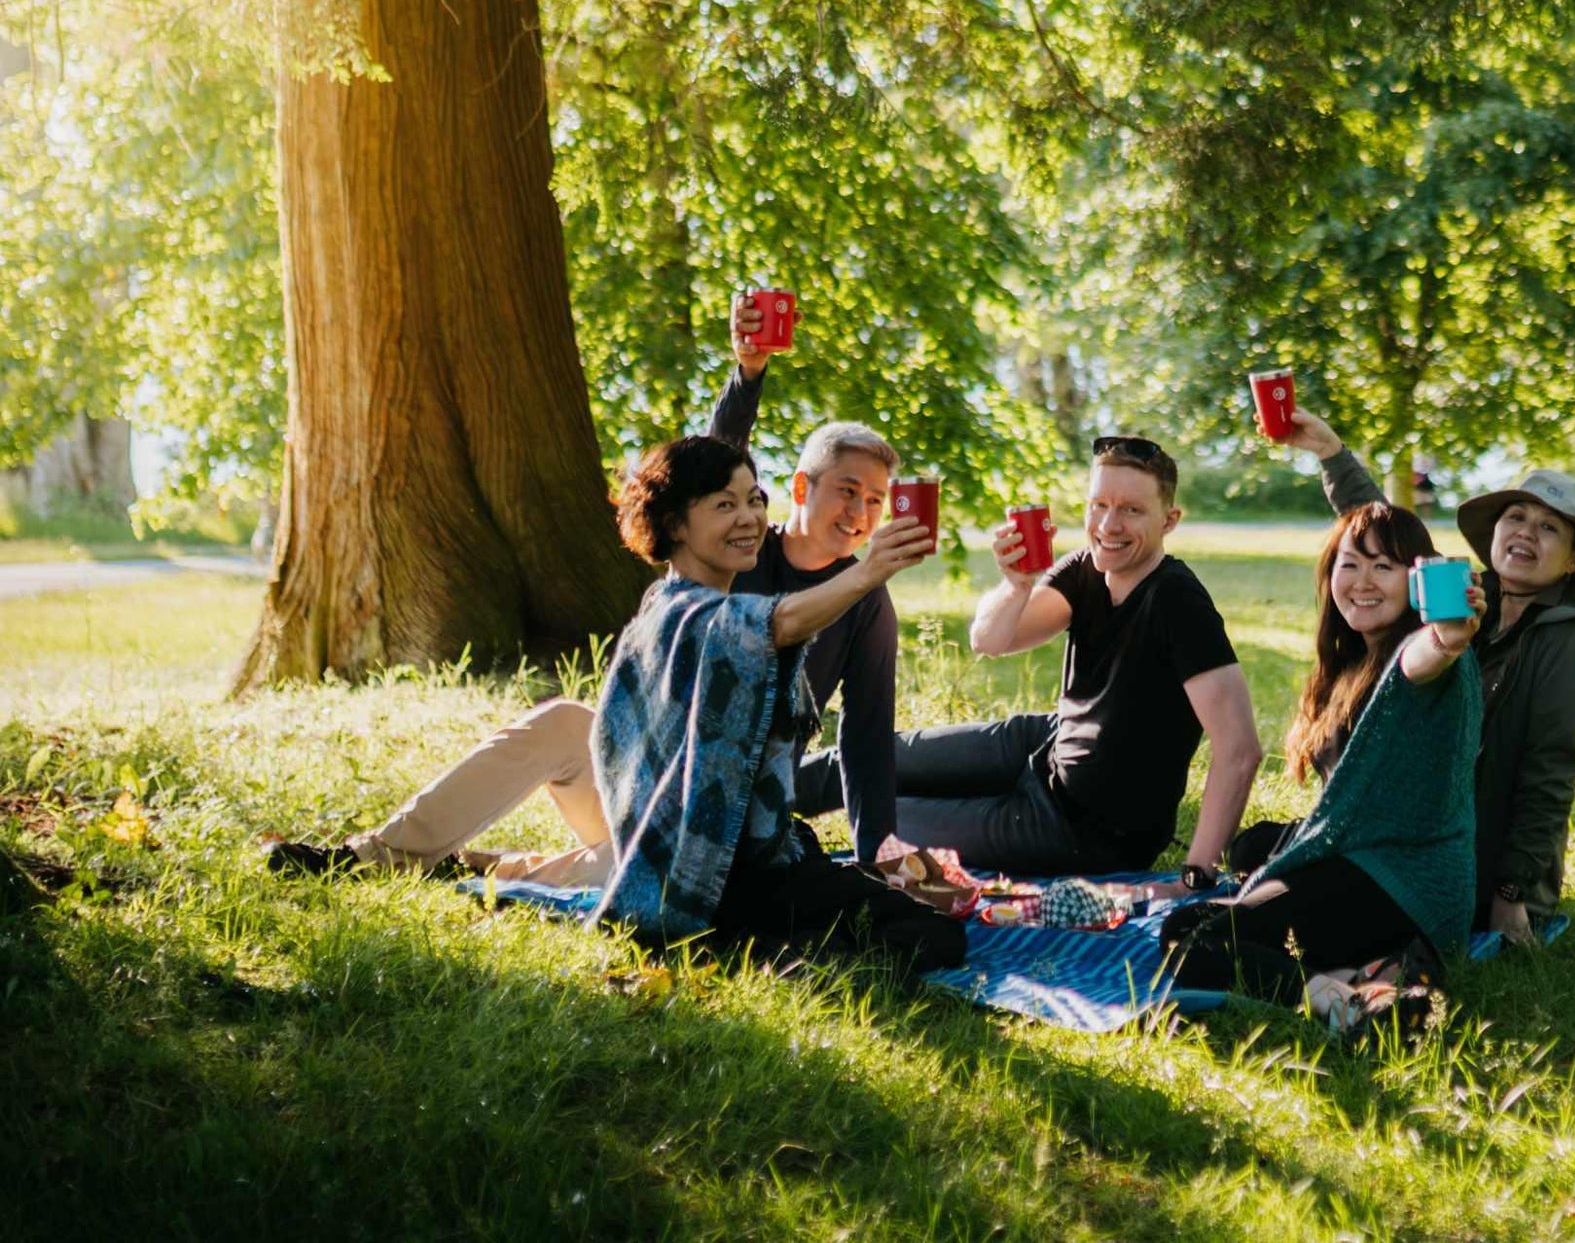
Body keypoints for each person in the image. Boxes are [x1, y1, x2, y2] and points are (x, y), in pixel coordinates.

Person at [266, 296, 907, 884]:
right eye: (847, 489)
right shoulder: (740, 546)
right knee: (561, 722)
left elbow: (868, 734)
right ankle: (370, 859)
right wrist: (747, 374)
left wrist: (879, 853)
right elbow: (711, 466)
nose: (860, 510)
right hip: (644, 772)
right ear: (801, 489)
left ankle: (483, 871)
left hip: (721, 816)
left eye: (876, 499)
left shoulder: (866, 603)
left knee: (657, 866)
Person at [809, 436, 1263, 880]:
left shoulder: (1178, 602)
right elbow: (989, 640)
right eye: (1099, 505)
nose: (1108, 525)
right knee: (868, 757)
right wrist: (1017, 585)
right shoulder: (1085, 567)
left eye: (1131, 509)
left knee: (880, 813)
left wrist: (1196, 874)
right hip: (1049, 743)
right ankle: (745, 800)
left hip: (1085, 828)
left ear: (1169, 520)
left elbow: (1240, 750)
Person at [592, 434, 960, 971]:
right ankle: (758, 954)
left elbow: (866, 734)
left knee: (914, 924)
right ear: (674, 525)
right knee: (927, 937)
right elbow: (777, 625)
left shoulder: (684, 604)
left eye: (753, 500)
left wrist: (877, 852)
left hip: (751, 855)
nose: (747, 518)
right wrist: (868, 571)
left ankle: (774, 950)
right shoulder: (690, 617)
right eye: (724, 504)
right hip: (712, 873)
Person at [1277, 407, 1575, 946]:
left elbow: (1549, 777)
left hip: (1475, 860)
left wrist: (1511, 895)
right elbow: (1386, 546)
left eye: (1549, 527)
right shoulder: (1460, 594)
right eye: (1517, 518)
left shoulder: (1570, 643)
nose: (1527, 533)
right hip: (1406, 829)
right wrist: (1330, 453)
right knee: (1263, 851)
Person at [1161, 498, 1484, 1002]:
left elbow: (1427, 659)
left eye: (1384, 567)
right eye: (1349, 563)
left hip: (1406, 883)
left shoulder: (1416, 654)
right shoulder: (1355, 657)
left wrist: (1447, 638)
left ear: (1417, 582)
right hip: (1364, 855)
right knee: (1250, 847)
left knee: (1192, 940)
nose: (1362, 581)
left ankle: (1341, 998)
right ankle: (1368, 965)